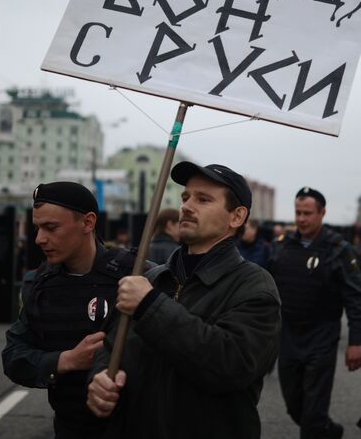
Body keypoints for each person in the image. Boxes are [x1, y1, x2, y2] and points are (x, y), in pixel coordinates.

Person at [87, 161, 281, 439]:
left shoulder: (254, 286)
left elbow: (229, 365)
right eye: (186, 197)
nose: (187, 206)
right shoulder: (152, 279)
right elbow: (111, 344)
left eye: (203, 199)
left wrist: (150, 306)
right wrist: (100, 378)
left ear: (236, 217)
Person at [2, 182, 143, 439]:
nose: (39, 239)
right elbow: (14, 356)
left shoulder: (137, 275)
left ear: (88, 223)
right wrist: (66, 360)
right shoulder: (39, 285)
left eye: (51, 228)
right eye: (37, 228)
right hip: (71, 429)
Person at [269, 186, 361, 439]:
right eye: (298, 212)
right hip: (288, 335)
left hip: (321, 336)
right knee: (294, 405)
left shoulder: (339, 249)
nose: (301, 219)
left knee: (312, 412)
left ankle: (319, 429)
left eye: (308, 213)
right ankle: (329, 431)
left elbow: (355, 299)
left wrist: (356, 341)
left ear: (322, 213)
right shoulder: (282, 245)